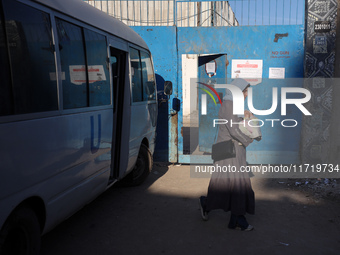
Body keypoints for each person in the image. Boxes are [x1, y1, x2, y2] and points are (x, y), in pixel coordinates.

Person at [199, 78, 255, 231]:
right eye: (244, 91)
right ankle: (237, 219)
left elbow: (234, 124)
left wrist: (244, 117)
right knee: (236, 184)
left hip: (233, 150)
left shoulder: (232, 105)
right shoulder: (230, 105)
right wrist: (250, 138)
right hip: (230, 151)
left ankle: (211, 205)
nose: (246, 95)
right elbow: (234, 130)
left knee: (227, 184)